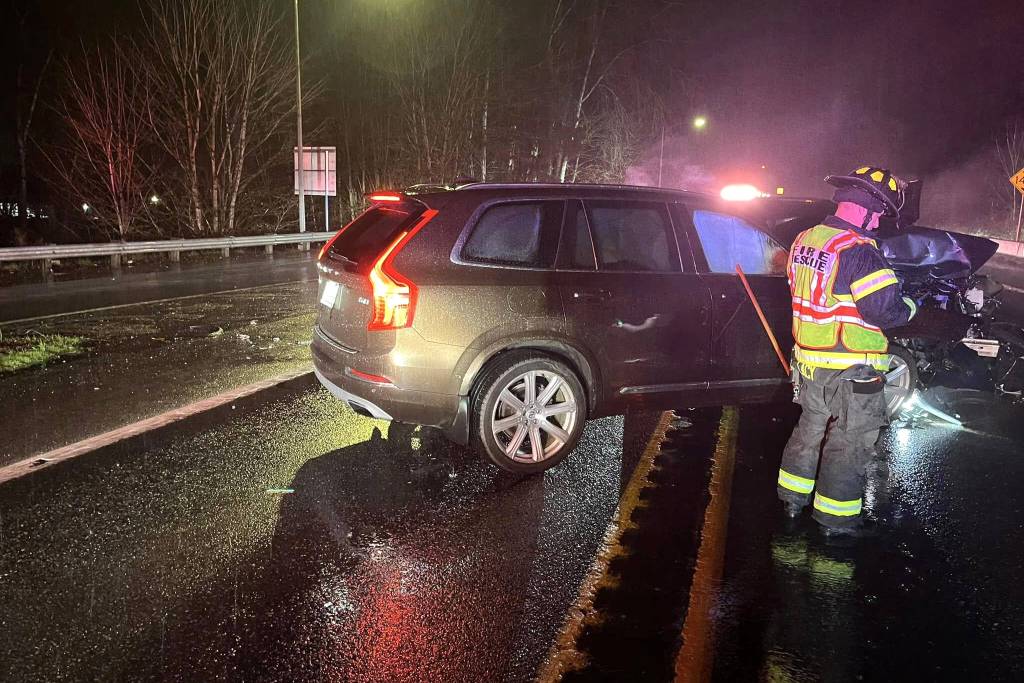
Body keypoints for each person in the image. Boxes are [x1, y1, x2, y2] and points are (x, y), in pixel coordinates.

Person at [777, 166, 918, 535]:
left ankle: (791, 501)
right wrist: (912, 306)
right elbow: (884, 311)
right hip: (852, 367)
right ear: (865, 209)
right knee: (851, 441)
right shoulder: (860, 252)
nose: (878, 223)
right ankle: (835, 523)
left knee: (809, 428)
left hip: (809, 360)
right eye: (880, 214)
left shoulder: (806, 239)